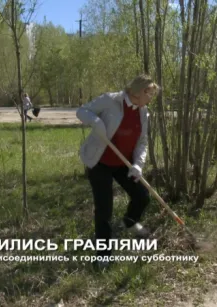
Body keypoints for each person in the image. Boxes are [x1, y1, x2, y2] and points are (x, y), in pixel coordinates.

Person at [76, 74, 160, 270]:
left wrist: (138, 164)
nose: (151, 98)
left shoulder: (143, 112)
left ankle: (129, 223)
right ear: (139, 92)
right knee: (104, 210)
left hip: (124, 163)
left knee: (142, 196)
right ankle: (103, 256)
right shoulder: (110, 101)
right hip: (100, 162)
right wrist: (96, 122)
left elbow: (142, 142)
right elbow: (82, 111)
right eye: (150, 93)